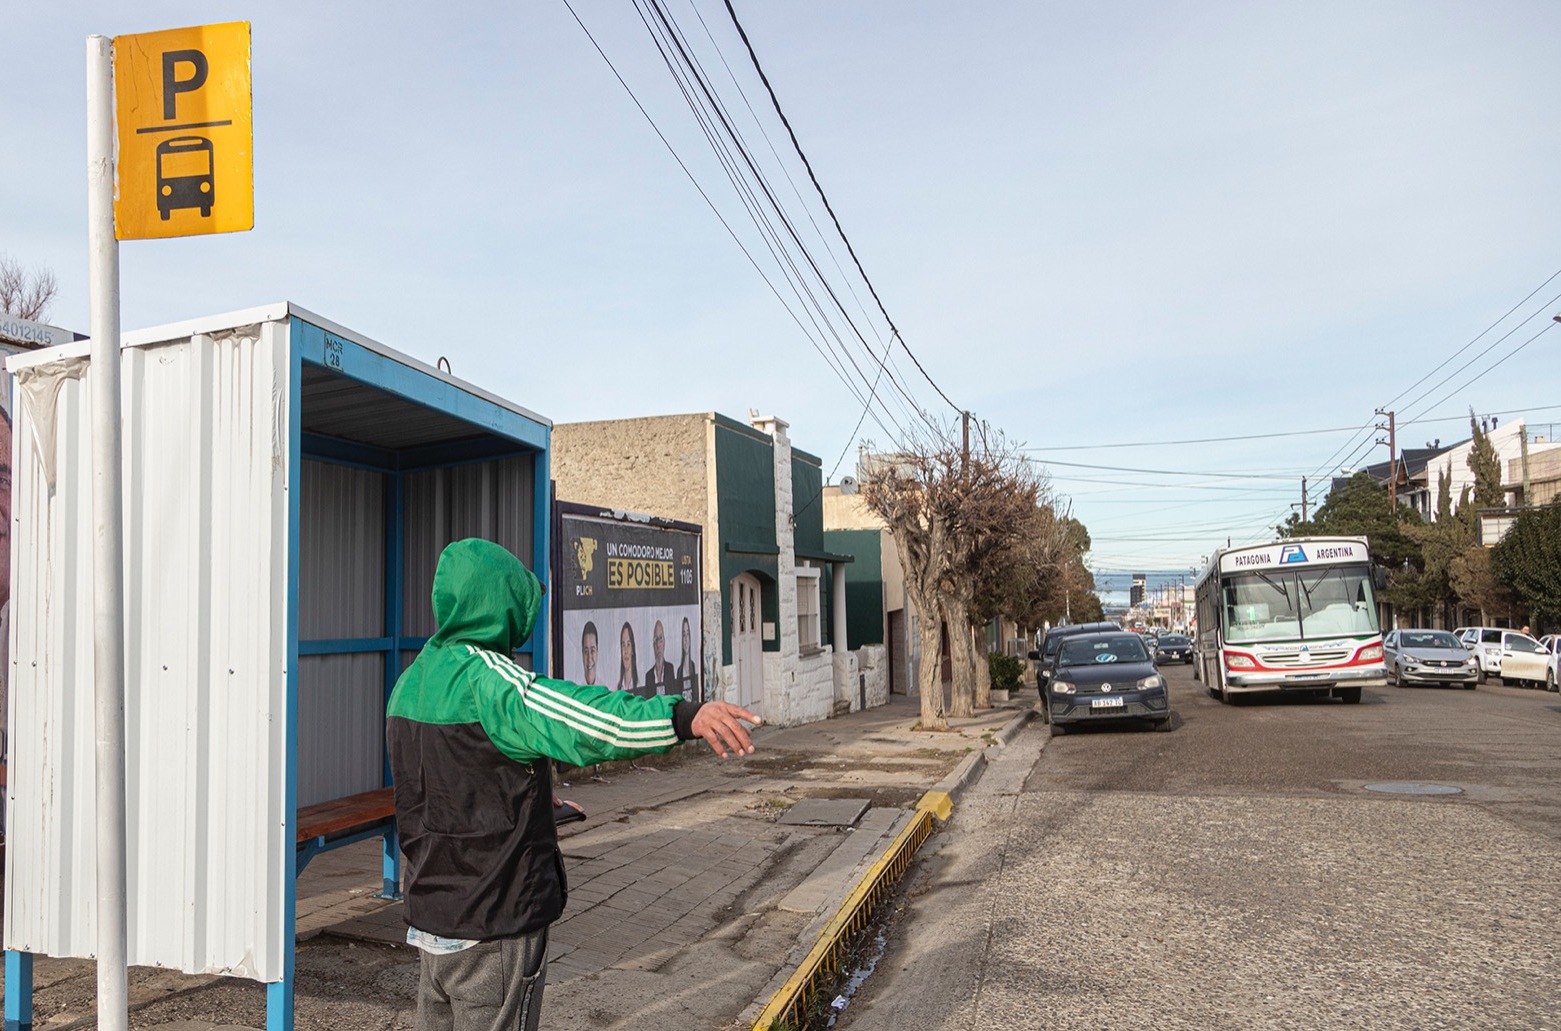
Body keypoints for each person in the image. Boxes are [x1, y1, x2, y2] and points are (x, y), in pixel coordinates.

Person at [387, 539, 760, 1031]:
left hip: (432, 921)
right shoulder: (494, 682)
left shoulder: (411, 682)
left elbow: (446, 786)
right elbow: (589, 720)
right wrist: (683, 716)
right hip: (492, 922)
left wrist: (534, 796)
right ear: (498, 604)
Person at [642, 618, 676, 696]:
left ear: (664, 643)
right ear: (653, 645)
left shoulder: (670, 669)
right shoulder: (649, 676)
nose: (658, 645)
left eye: (660, 639)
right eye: (656, 640)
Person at [674, 616, 699, 701]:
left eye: (688, 634)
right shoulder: (679, 671)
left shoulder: (693, 666)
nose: (686, 639)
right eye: (683, 635)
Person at [614, 621, 638, 694]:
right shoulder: (617, 689)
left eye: (628, 644)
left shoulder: (639, 686)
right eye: (623, 645)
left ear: (632, 650)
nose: (626, 651)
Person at [579, 620, 601, 686]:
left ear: (597, 651)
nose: (589, 658)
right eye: (586, 651)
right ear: (582, 653)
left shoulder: (606, 690)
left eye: (592, 651)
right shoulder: (576, 690)